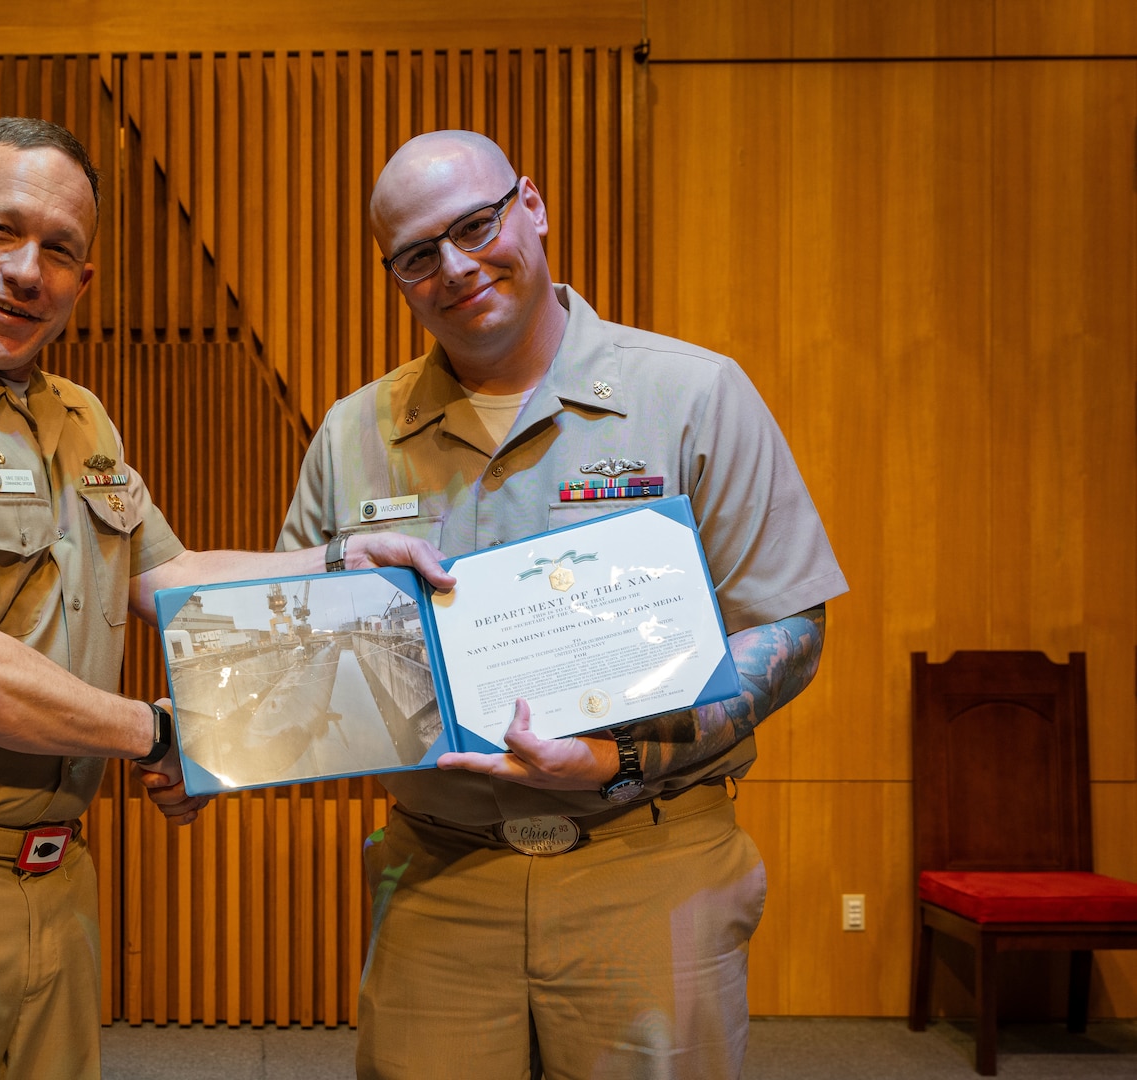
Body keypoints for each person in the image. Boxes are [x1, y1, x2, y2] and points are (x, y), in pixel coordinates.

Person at [0, 117, 449, 1080]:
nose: (25, 272)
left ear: (84, 283)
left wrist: (342, 568)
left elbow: (168, 579)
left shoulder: (77, 416)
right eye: (0, 231)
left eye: (60, 251)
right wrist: (161, 733)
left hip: (55, 881)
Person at [271, 130, 849, 1079]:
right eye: (418, 255)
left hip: (645, 859)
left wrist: (614, 755)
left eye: (476, 225)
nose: (455, 267)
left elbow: (787, 626)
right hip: (439, 875)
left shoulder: (693, 394)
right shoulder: (351, 436)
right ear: (396, 277)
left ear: (531, 206)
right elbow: (297, 655)